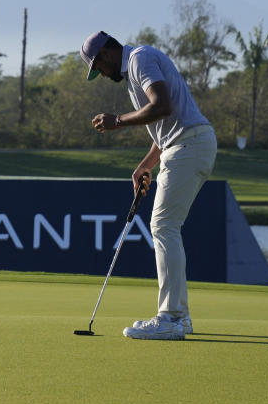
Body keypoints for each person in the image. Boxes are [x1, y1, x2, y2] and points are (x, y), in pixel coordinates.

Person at [80, 31, 217, 340]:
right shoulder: (134, 70)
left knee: (163, 225)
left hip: (189, 145)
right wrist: (147, 164)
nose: (101, 74)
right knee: (166, 226)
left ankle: (170, 317)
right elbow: (165, 125)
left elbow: (162, 106)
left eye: (98, 67)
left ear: (107, 53)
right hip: (184, 144)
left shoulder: (139, 58)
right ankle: (180, 318)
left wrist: (117, 121)